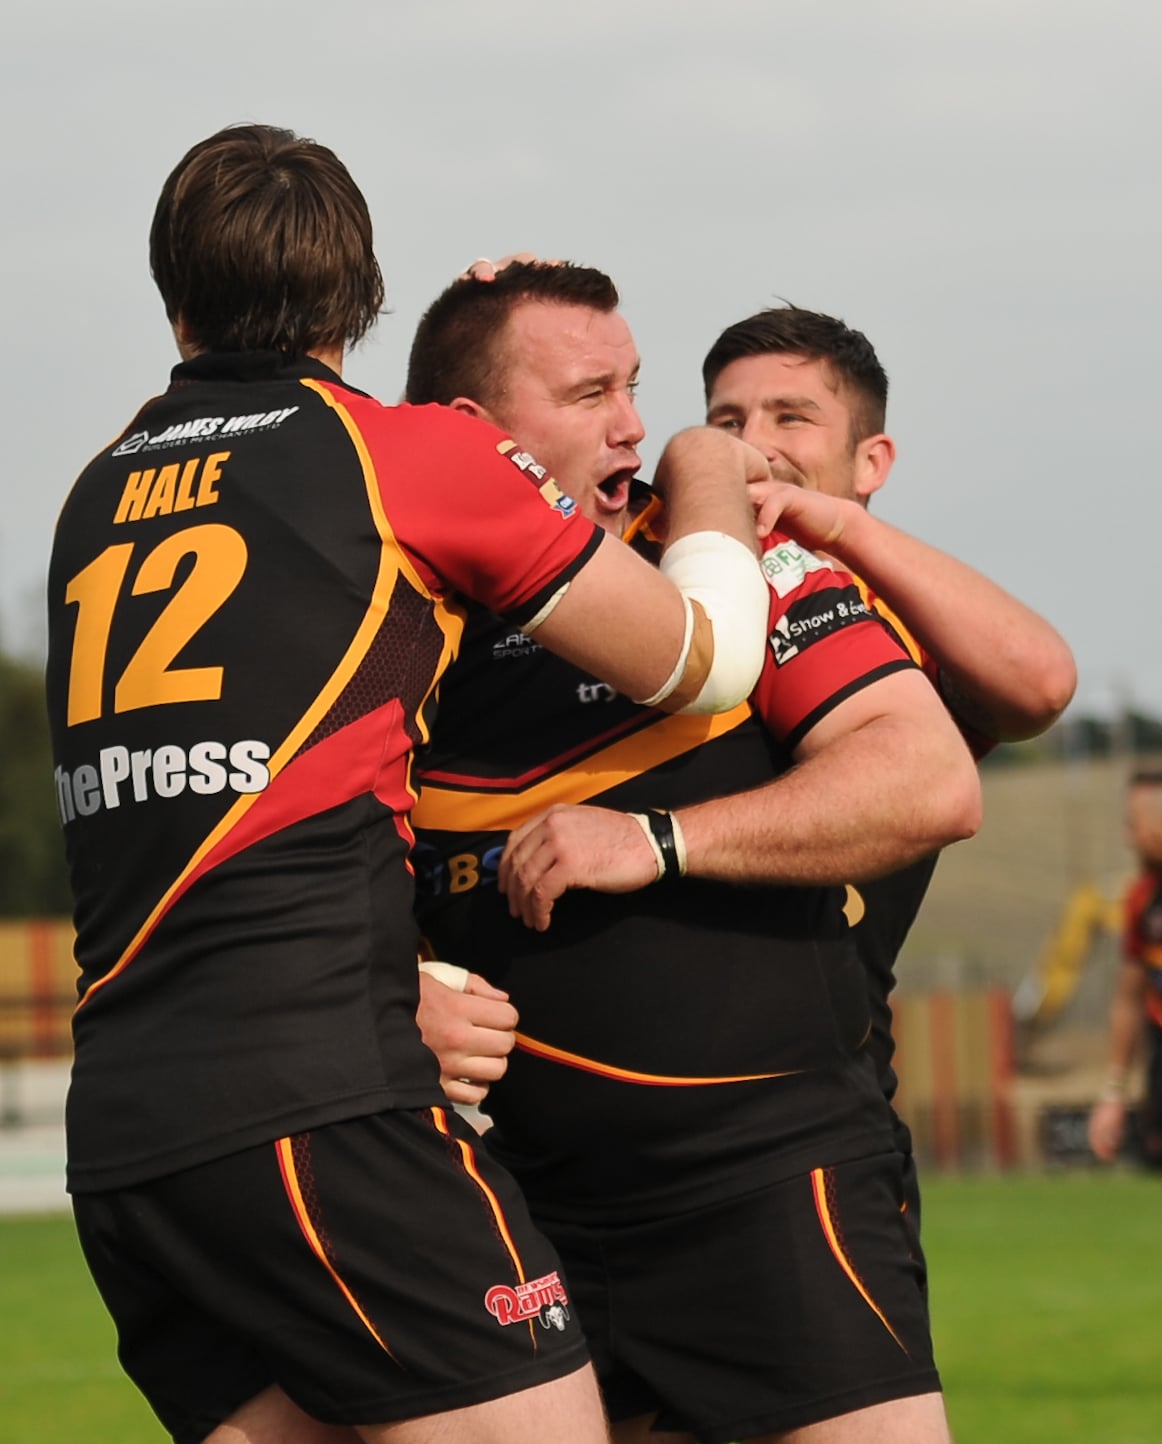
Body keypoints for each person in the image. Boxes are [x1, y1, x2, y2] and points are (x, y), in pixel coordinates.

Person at [43, 126, 776, 1444]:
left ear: (172, 299)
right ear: (362, 300)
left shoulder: (98, 492)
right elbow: (704, 663)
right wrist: (708, 473)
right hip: (318, 1108)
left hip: (127, 1139)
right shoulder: (411, 454)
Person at [407, 265, 987, 1444]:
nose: (633, 424)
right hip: (523, 1214)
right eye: (587, 393)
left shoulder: (727, 560)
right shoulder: (404, 616)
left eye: (631, 386)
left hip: (769, 1185)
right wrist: (392, 991)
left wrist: (660, 838)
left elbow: (930, 777)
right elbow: (304, 864)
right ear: (473, 434)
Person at [500, 303, 1075, 1242]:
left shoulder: (888, 629)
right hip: (597, 1122)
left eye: (789, 418)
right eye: (724, 423)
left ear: (871, 463)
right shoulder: (667, 599)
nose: (749, 446)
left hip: (812, 1116)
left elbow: (1040, 681)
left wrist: (836, 527)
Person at [1087, 769, 1162, 1168]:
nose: (1128, 838)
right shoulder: (1141, 900)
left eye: (1136, 824)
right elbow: (1129, 998)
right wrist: (1114, 1093)